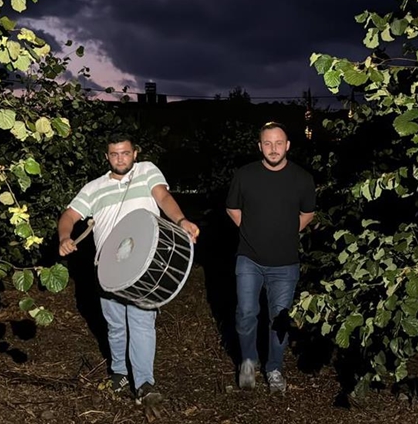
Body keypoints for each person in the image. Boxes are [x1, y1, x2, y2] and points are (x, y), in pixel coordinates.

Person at [57, 132, 199, 406]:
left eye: (125, 153)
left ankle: (145, 382)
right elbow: (69, 215)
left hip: (144, 265)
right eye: (114, 154)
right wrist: (65, 237)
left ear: (135, 153)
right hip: (108, 269)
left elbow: (163, 197)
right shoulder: (94, 187)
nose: (120, 158)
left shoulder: (147, 171)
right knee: (116, 326)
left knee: (142, 322)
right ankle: (120, 373)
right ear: (106, 156)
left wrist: (181, 220)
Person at [225, 121, 316, 393]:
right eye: (267, 143)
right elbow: (232, 208)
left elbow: (307, 214)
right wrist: (253, 231)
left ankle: (274, 368)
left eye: (278, 143)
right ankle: (249, 364)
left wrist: (286, 232)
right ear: (260, 146)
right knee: (246, 313)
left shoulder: (302, 178)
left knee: (279, 319)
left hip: (286, 263)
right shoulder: (245, 175)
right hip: (249, 259)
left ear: (287, 145)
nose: (273, 149)